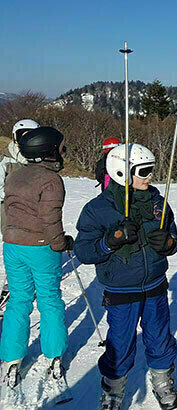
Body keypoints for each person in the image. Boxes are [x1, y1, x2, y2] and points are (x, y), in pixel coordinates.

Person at [74, 143, 177, 410]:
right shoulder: (98, 208)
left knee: (159, 337)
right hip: (121, 290)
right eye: (143, 171)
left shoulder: (158, 202)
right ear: (123, 172)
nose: (150, 177)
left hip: (155, 285)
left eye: (151, 170)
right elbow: (84, 251)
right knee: (120, 343)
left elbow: (175, 238)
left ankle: (162, 380)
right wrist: (109, 241)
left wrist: (168, 244)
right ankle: (113, 390)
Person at [0, 126, 72, 387]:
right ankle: (53, 353)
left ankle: (11, 356)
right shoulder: (51, 180)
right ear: (49, 150)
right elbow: (50, 218)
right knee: (49, 299)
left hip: (12, 244)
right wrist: (60, 243)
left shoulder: (15, 175)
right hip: (40, 246)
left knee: (19, 299)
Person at [0, 119, 39, 312]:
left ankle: (34, 277)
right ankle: (12, 282)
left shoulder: (39, 159)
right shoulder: (7, 160)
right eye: (23, 136)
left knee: (36, 242)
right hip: (11, 211)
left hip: (36, 210)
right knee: (15, 245)